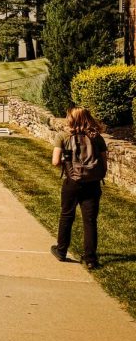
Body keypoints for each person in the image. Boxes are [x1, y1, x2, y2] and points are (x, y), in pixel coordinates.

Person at [51, 106, 108, 269]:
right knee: (90, 220)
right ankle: (90, 259)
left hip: (72, 182)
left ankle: (61, 250)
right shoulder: (97, 137)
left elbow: (55, 162)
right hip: (93, 183)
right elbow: (104, 164)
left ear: (71, 119)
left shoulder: (63, 136)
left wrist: (67, 161)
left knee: (67, 215)